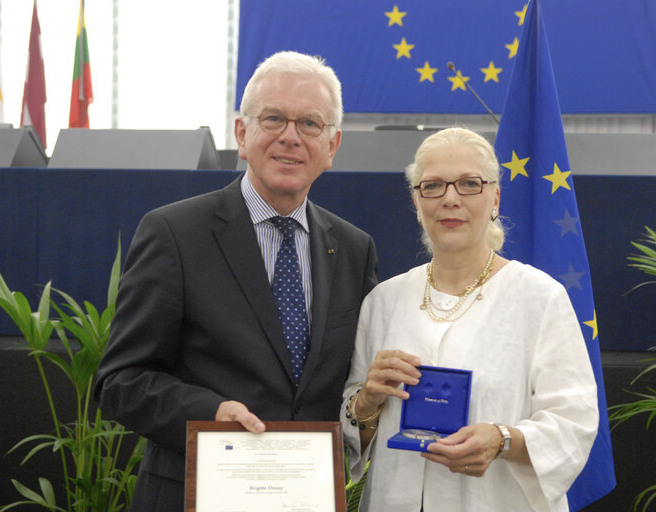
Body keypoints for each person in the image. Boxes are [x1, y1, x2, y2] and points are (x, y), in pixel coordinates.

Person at [94, 51, 378, 512]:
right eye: (273, 118)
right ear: (242, 134)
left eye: (310, 123)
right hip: (193, 495)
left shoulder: (353, 248)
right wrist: (211, 414)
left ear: (332, 146)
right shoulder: (174, 234)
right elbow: (121, 382)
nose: (290, 136)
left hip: (305, 498)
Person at [340, 127, 597, 512]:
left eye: (469, 184)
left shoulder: (539, 298)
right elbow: (352, 433)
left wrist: (502, 439)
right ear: (416, 200)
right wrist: (367, 403)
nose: (450, 199)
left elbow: (573, 424)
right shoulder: (383, 301)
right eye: (433, 186)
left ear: (495, 197)